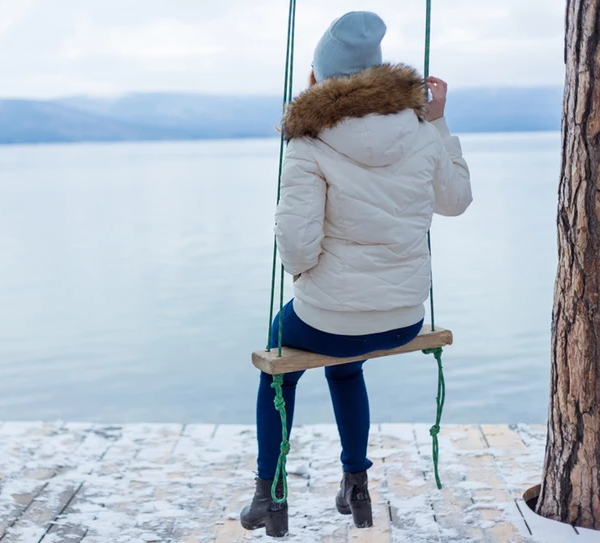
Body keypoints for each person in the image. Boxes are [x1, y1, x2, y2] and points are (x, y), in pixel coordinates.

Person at [240, 11, 472, 537]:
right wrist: (437, 120)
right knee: (346, 365)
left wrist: (308, 279)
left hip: (328, 316)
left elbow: (297, 246)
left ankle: (270, 495)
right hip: (404, 319)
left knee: (280, 361)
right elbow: (455, 203)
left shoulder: (309, 140)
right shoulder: (420, 129)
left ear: (318, 78)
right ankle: (356, 485)